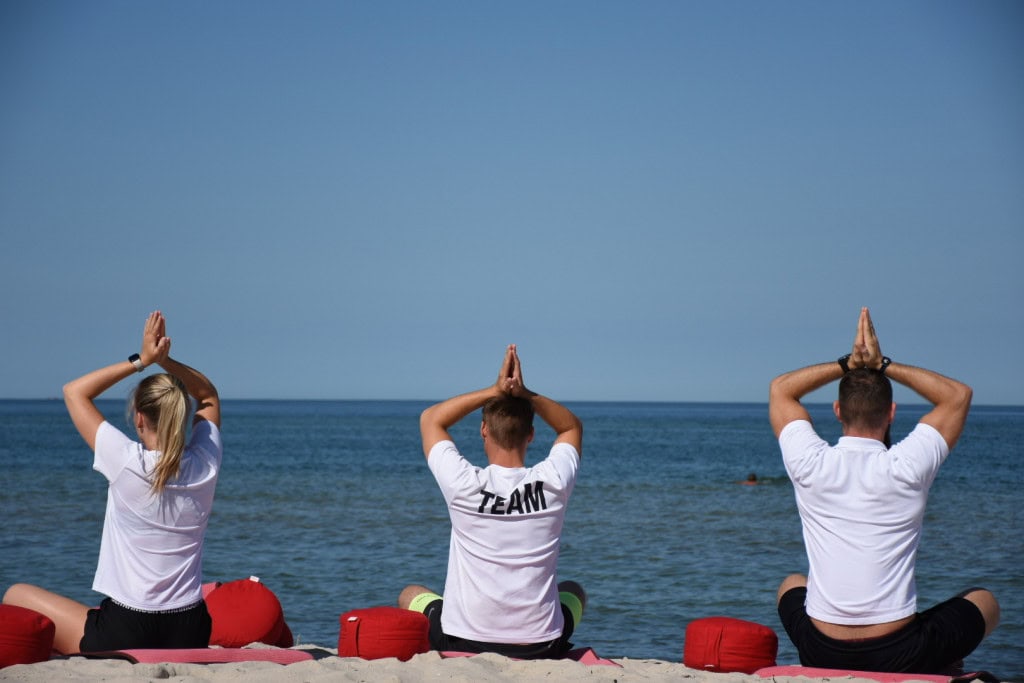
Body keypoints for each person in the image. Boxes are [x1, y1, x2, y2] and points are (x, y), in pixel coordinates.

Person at [769, 307, 999, 673]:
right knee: (985, 600)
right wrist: (883, 364)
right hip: (901, 651)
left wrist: (848, 364)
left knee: (791, 584)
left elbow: (781, 389)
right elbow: (957, 395)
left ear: (837, 410)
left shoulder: (810, 462)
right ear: (891, 413)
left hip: (822, 650)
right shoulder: (908, 465)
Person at [3, 311, 222, 654]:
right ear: (180, 416)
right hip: (190, 627)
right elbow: (207, 395)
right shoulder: (206, 462)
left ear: (138, 418)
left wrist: (144, 360)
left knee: (15, 594)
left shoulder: (125, 460)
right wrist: (167, 362)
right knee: (91, 614)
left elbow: (74, 392)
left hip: (127, 628)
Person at [398, 344, 586, 659]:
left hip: (463, 642)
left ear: (484, 430)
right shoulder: (553, 481)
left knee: (410, 595)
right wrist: (525, 394)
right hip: (541, 645)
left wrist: (494, 390)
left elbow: (431, 419)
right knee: (574, 590)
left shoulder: (463, 484)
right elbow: (570, 427)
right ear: (531, 434)